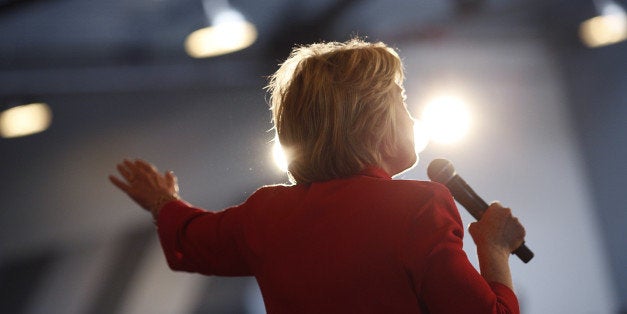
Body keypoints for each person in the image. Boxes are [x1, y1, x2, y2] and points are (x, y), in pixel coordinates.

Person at [110, 38, 526, 313]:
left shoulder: (266, 215)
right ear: (371, 123)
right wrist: (494, 248)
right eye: (400, 99)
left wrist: (161, 200)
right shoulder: (419, 208)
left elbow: (192, 240)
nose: (411, 114)